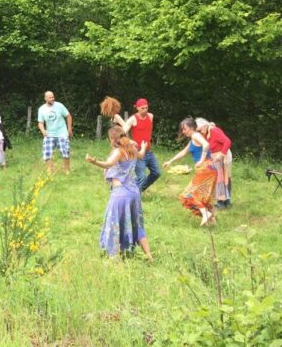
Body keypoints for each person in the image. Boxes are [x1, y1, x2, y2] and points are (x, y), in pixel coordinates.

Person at [85, 126, 152, 259]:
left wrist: (94, 161)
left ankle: (116, 260)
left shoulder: (119, 151)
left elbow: (109, 164)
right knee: (137, 224)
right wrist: (144, 147)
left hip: (121, 194)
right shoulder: (132, 149)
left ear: (112, 139)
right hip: (134, 193)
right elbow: (141, 155)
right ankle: (149, 256)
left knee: (114, 224)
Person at [163, 117, 217, 226]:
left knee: (187, 195)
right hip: (209, 169)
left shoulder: (196, 135)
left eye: (185, 129)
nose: (183, 131)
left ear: (192, 128)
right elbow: (183, 152)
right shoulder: (193, 138)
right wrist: (170, 161)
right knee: (203, 198)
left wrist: (201, 159)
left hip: (205, 168)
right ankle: (214, 224)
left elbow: (206, 145)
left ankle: (205, 214)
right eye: (182, 129)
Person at [113, 98, 160, 193]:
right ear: (137, 108)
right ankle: (132, 193)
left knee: (156, 173)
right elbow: (122, 133)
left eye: (146, 108)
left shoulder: (150, 116)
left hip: (149, 152)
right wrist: (129, 141)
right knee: (141, 177)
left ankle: (137, 190)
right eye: (142, 108)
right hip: (138, 153)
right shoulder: (133, 119)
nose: (145, 110)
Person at [196, 118, 232, 208]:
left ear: (204, 126)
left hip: (223, 155)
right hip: (215, 156)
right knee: (220, 178)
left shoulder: (214, 131)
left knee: (221, 178)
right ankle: (226, 201)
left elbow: (227, 141)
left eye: (200, 130)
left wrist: (222, 154)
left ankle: (222, 202)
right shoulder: (205, 132)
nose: (200, 132)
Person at [37, 91, 73, 173]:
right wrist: (43, 130)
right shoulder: (41, 109)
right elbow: (40, 123)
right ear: (45, 98)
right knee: (47, 153)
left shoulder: (59, 106)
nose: (52, 99)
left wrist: (69, 129)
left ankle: (67, 170)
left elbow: (68, 116)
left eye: (53, 97)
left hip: (62, 133)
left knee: (65, 152)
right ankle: (49, 170)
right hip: (49, 134)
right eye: (50, 97)